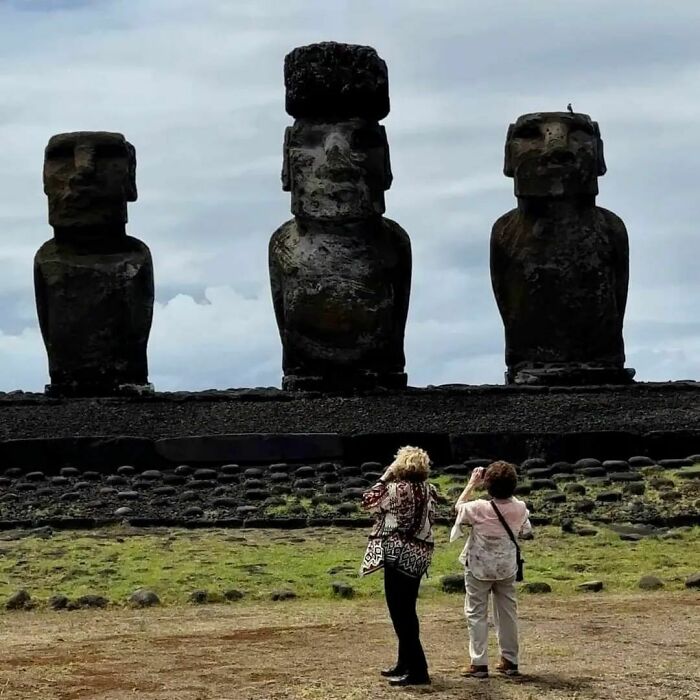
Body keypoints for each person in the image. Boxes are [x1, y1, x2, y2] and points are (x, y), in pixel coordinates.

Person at [360, 445, 437, 687]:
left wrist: (385, 475)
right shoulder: (430, 490)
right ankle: (405, 662)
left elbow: (368, 501)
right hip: (419, 556)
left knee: (400, 615)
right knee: (408, 611)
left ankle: (418, 669)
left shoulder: (393, 490)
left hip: (396, 554)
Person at [450, 460, 532, 678]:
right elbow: (526, 531)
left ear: (488, 486)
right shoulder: (520, 507)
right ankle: (510, 660)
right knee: (507, 613)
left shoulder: (478, 507)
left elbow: (458, 508)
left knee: (476, 613)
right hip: (506, 566)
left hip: (479, 566)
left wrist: (471, 484)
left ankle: (479, 662)